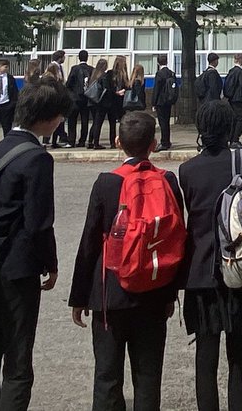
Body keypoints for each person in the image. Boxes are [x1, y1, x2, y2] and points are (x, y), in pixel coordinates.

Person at [69, 110, 181, 410]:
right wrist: (171, 293)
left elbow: (89, 242)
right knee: (148, 377)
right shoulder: (168, 180)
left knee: (107, 377)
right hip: (154, 290)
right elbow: (177, 238)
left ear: (117, 141)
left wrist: (79, 297)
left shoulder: (106, 183)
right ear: (154, 144)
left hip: (110, 291)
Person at [0, 77, 68, 411]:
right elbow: (39, 222)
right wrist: (50, 264)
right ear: (49, 117)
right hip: (17, 266)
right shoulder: (37, 158)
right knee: (17, 359)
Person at [179, 100, 242, 411]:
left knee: (205, 356)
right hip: (239, 265)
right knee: (238, 356)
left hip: (202, 269)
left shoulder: (187, 170)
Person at [65, 50, 94, 149]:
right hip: (86, 99)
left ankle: (71, 140)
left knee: (72, 120)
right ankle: (82, 140)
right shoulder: (91, 69)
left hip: (75, 98)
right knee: (84, 120)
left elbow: (69, 83)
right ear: (87, 58)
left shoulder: (74, 69)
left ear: (79, 57)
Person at [150, 54, 178, 151]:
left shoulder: (159, 74)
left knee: (162, 123)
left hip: (161, 102)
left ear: (158, 62)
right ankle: (167, 141)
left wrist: (153, 102)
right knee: (166, 121)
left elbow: (156, 89)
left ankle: (164, 142)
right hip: (169, 101)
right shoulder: (171, 73)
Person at [85, 59, 112, 150]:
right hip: (100, 102)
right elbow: (106, 89)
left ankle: (90, 141)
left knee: (94, 122)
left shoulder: (93, 74)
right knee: (98, 123)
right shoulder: (104, 76)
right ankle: (96, 143)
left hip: (91, 101)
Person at [223, 55, 242, 149]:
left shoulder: (231, 71)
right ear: (241, 60)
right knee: (240, 119)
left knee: (233, 119)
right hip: (238, 99)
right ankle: (235, 139)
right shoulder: (240, 72)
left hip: (231, 99)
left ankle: (231, 138)